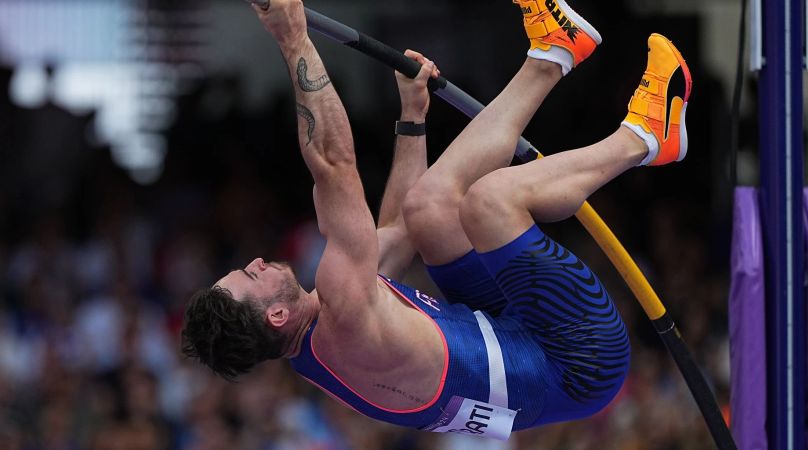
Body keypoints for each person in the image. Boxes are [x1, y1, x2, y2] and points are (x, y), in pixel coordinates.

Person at [181, 0, 691, 439]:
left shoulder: (321, 334)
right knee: (490, 203)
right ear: (275, 316)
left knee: (428, 210)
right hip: (581, 362)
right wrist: (294, 41)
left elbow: (398, 232)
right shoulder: (345, 320)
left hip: (514, 336)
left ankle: (554, 52)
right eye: (250, 276)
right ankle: (644, 138)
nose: (256, 262)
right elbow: (333, 166)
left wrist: (412, 119)